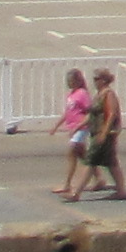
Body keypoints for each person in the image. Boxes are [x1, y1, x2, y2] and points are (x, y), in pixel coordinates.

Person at [79, 67, 125, 200]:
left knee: (90, 161)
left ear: (104, 80)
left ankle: (76, 193)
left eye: (96, 79)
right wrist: (79, 126)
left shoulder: (108, 94)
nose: (94, 81)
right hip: (96, 132)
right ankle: (121, 190)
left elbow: (112, 114)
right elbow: (93, 114)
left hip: (104, 133)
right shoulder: (99, 94)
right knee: (111, 163)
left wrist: (104, 133)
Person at [52, 69, 95, 202]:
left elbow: (90, 112)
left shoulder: (82, 94)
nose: (69, 84)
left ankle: (67, 184)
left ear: (78, 81)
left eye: (71, 81)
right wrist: (56, 126)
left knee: (72, 151)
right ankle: (99, 178)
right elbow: (68, 112)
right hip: (73, 128)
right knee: (84, 156)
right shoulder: (71, 94)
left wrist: (78, 126)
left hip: (81, 127)